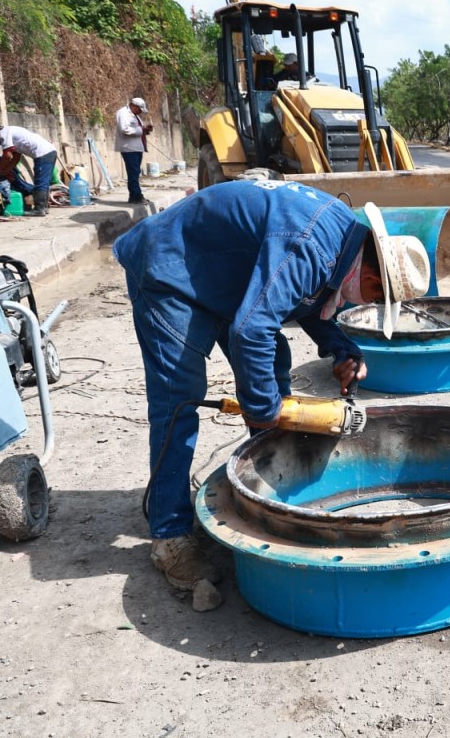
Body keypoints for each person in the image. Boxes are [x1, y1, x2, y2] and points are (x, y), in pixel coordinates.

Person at [112, 180, 431, 605]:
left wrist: (341, 347)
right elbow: (251, 328)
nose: (365, 302)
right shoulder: (309, 245)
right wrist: (265, 410)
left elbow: (307, 296)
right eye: (374, 295)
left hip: (219, 274)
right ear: (371, 274)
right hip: (171, 267)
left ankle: (263, 486)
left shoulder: (341, 241)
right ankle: (168, 535)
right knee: (179, 396)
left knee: (272, 359)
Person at [0, 125, 57, 217]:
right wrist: (5, 172)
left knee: (40, 181)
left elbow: (7, 155)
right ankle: (44, 207)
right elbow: (16, 158)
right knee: (44, 181)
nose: (1, 143)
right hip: (50, 151)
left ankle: (39, 209)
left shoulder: (3, 133)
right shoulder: (13, 133)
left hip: (43, 153)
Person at [115, 97, 153, 205]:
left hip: (136, 147)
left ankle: (133, 197)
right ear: (134, 106)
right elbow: (125, 130)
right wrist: (142, 130)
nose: (140, 112)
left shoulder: (134, 116)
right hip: (129, 148)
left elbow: (137, 129)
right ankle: (137, 196)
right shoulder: (123, 113)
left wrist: (145, 130)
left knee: (135, 173)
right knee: (133, 173)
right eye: (139, 109)